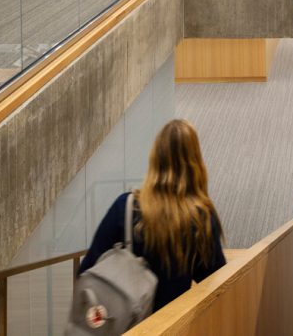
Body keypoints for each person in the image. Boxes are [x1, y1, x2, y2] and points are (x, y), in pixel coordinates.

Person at [79, 120, 226, 312]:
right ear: (196, 162)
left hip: (126, 325)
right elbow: (214, 281)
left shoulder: (126, 206)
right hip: (170, 325)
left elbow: (87, 270)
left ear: (155, 158)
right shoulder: (199, 217)